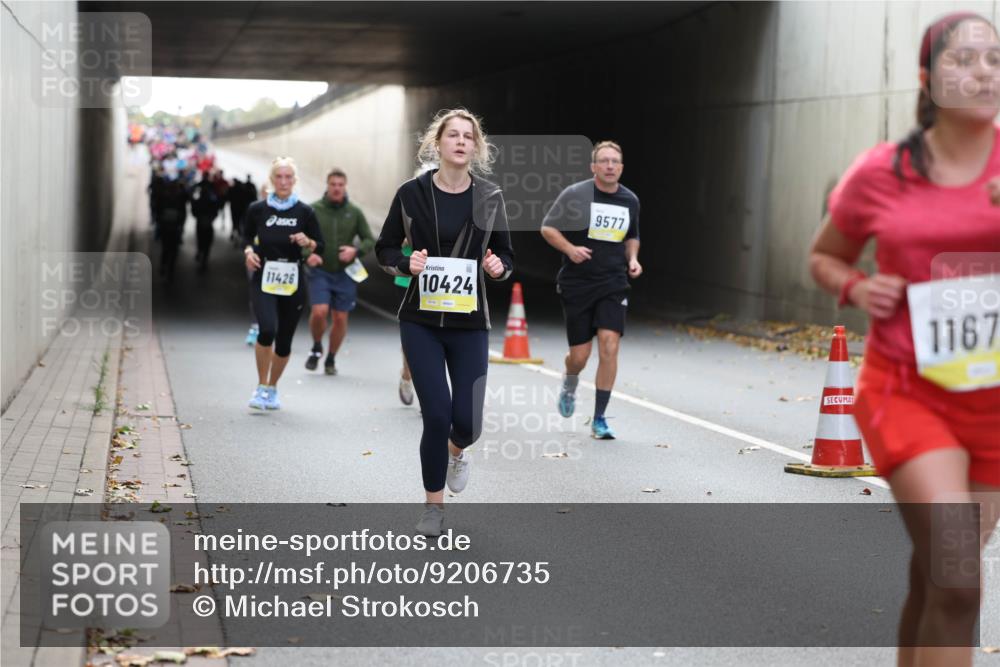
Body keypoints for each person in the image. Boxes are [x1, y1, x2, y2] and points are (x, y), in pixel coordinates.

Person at [809, 13, 999, 667]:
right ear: (927, 77)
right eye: (963, 60)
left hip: (992, 406)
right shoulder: (881, 171)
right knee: (959, 580)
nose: (982, 72)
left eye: (993, 59)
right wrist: (858, 288)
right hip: (908, 392)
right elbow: (825, 256)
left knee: (937, 577)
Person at [375, 109, 514, 536]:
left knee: (467, 423)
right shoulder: (411, 193)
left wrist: (497, 268)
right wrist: (406, 262)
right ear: (437, 144)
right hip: (421, 321)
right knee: (436, 415)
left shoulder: (490, 197)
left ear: (476, 146)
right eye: (452, 135)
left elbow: (507, 256)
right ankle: (433, 507)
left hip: (470, 324)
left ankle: (457, 451)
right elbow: (384, 249)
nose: (460, 141)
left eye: (467, 136)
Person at [540, 141, 642, 440]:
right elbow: (548, 227)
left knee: (609, 345)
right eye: (604, 161)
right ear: (593, 166)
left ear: (621, 167)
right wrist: (570, 249)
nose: (610, 166)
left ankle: (599, 419)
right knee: (580, 356)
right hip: (578, 283)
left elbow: (632, 236)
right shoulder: (576, 194)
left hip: (614, 282)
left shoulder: (630, 200)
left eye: (615, 161)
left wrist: (633, 259)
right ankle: (570, 382)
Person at [242, 157, 324, 410]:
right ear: (272, 180)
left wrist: (307, 242)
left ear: (294, 180)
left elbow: (320, 245)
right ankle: (260, 386)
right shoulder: (257, 209)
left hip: (293, 279)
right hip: (264, 276)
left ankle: (272, 387)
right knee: (267, 330)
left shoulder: (305, 211)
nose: (284, 181)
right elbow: (246, 237)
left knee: (285, 340)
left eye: (288, 177)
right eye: (279, 177)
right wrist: (249, 252)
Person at [304, 168, 375, 375]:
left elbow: (369, 239)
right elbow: (299, 236)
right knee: (319, 311)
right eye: (333, 184)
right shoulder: (313, 210)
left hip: (345, 273)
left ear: (345, 187)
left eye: (340, 185)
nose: (337, 188)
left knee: (340, 318)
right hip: (320, 270)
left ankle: (331, 358)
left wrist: (356, 251)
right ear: (327, 186)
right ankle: (317, 346)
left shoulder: (354, 212)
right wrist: (307, 254)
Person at [154, 178, 188, 283]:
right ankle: (165, 267)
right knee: (168, 249)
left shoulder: (172, 199)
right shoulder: (167, 199)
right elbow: (158, 213)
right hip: (169, 228)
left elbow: (183, 214)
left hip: (172, 229)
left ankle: (168, 269)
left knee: (170, 250)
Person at [191, 171, 221, 272]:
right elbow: (215, 210)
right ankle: (203, 257)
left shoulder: (200, 197)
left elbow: (194, 210)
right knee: (206, 242)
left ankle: (201, 255)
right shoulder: (210, 197)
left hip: (203, 222)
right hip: (206, 222)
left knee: (202, 240)